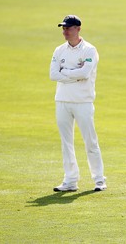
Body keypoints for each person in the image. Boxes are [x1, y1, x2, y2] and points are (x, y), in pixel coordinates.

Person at [49, 15, 107, 192]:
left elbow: (85, 73)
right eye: (63, 28)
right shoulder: (59, 50)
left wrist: (65, 72)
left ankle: (99, 180)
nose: (65, 31)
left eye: (68, 28)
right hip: (62, 100)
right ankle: (70, 180)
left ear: (78, 29)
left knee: (90, 141)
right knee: (66, 143)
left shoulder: (89, 50)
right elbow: (53, 75)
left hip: (83, 101)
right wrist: (74, 73)